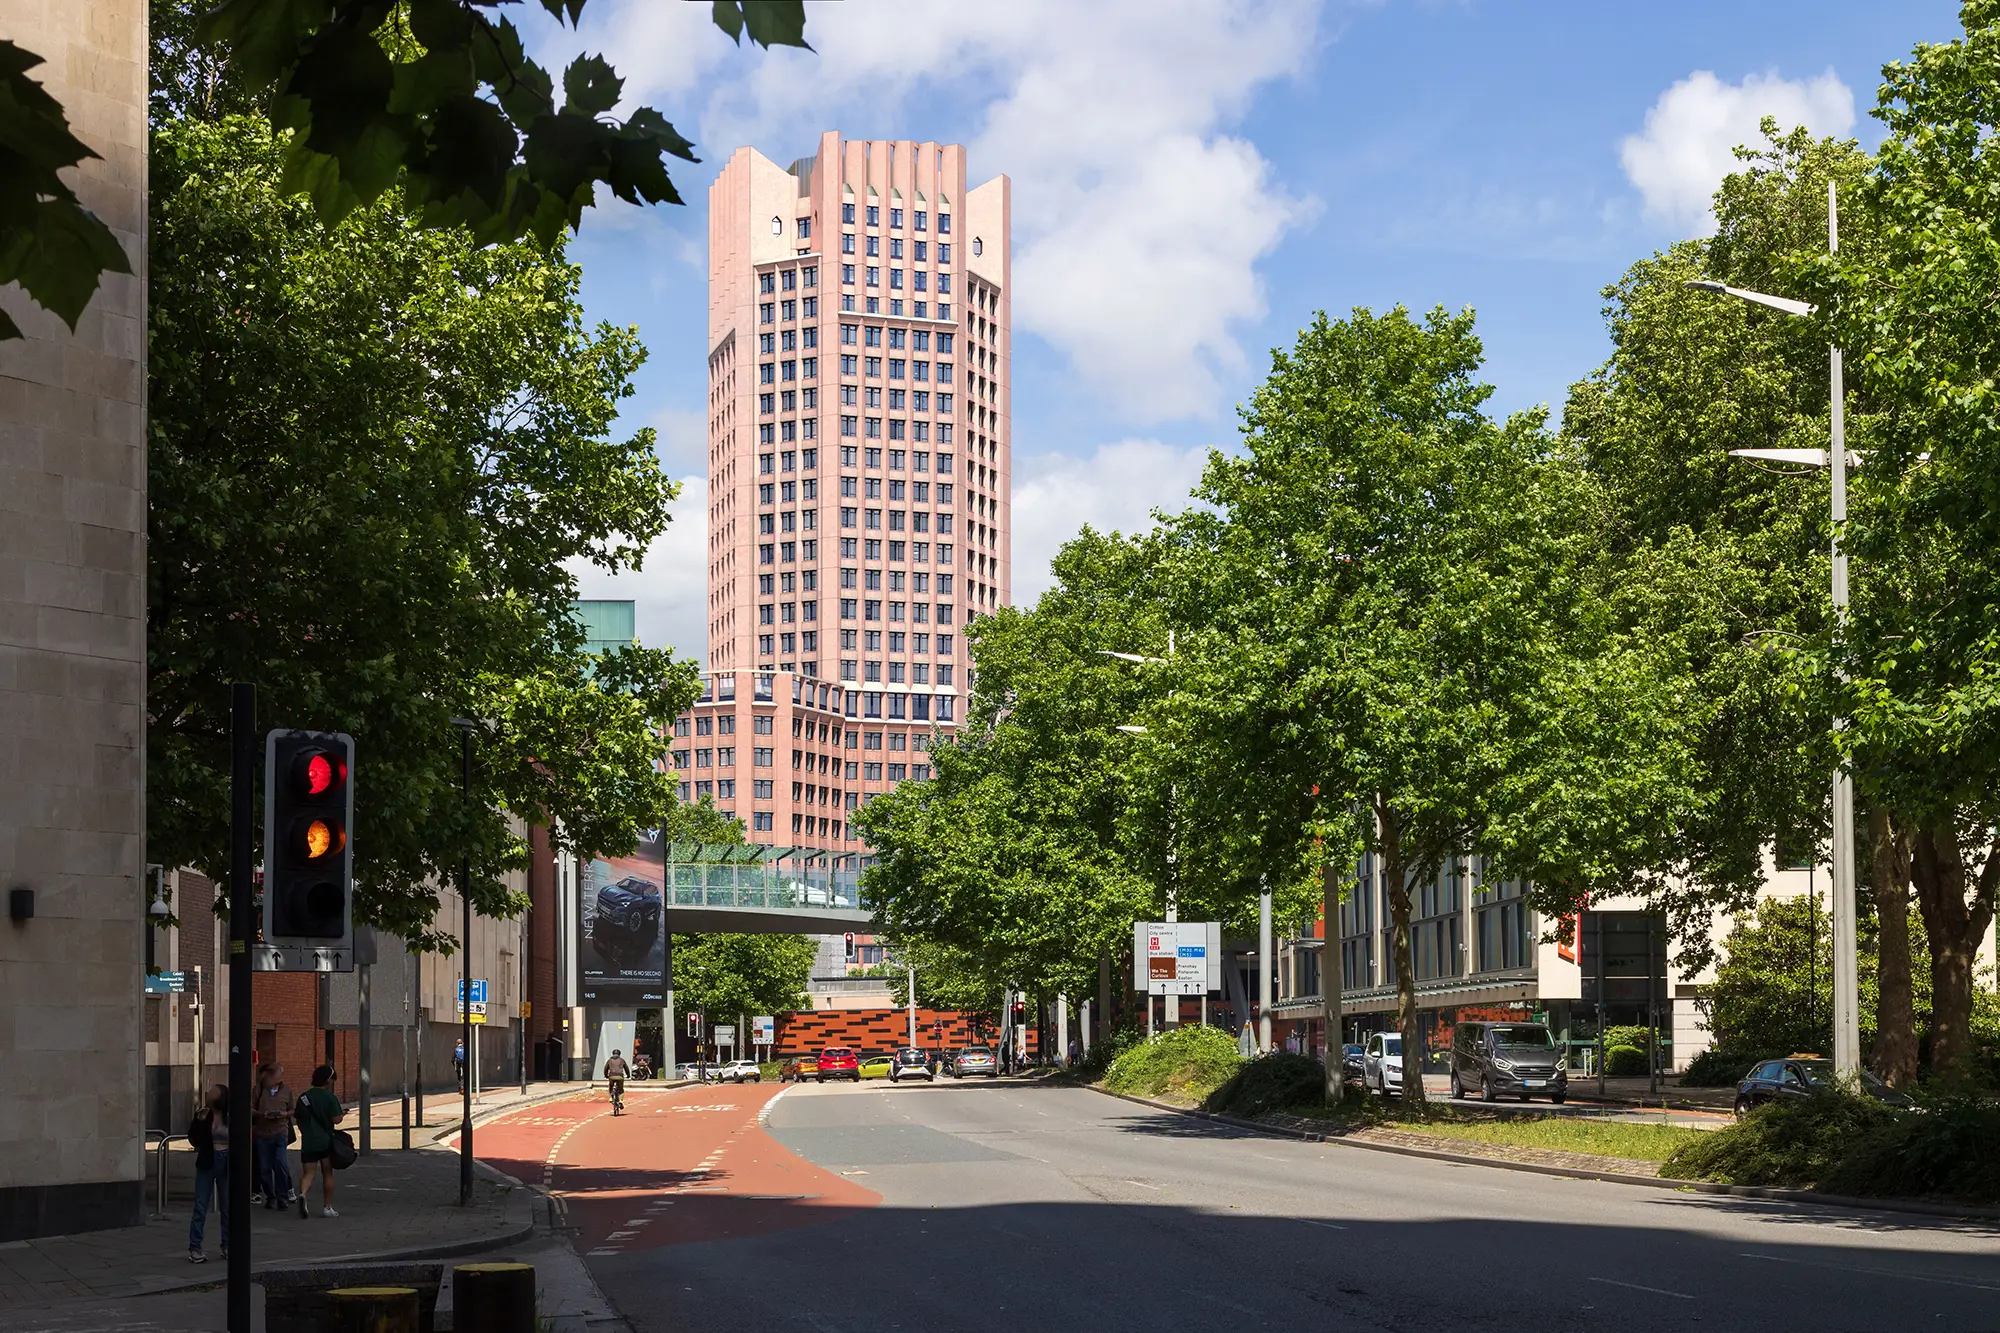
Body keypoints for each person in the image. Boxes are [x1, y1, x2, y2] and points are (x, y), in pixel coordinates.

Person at [294, 1064, 345, 1218]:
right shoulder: (330, 1097)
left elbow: (299, 1118)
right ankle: (327, 1207)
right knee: (327, 1173)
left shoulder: (303, 1097)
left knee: (308, 1173)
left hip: (308, 1141)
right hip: (325, 1141)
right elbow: (336, 1120)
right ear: (328, 1081)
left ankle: (302, 1194)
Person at [187, 1084, 229, 1263]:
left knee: (227, 1207)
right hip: (207, 1160)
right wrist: (199, 1120)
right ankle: (195, 1247)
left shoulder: (231, 1116)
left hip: (226, 1161)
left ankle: (227, 1245)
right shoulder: (204, 1114)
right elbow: (194, 1139)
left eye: (212, 1094)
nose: (208, 1096)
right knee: (200, 1205)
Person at [251, 1063, 296, 1210]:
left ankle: (282, 1197)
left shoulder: (286, 1091)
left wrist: (284, 1114)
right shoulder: (258, 1090)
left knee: (281, 1164)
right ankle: (270, 1196)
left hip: (280, 1132)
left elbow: (292, 1110)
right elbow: (249, 1108)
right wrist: (261, 1114)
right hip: (262, 1134)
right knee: (264, 1167)